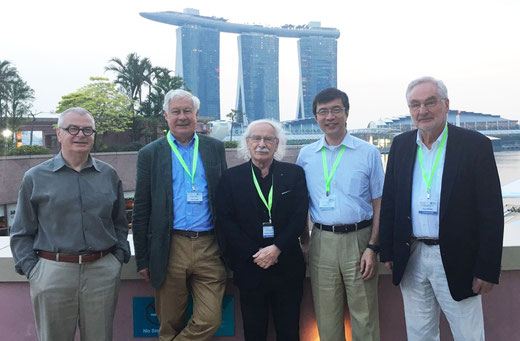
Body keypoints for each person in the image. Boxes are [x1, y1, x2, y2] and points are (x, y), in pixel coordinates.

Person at [379, 76, 504, 341]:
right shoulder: (401, 145)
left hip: (458, 259)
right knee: (419, 334)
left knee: (468, 334)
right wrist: (388, 251)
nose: (422, 110)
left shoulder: (474, 146)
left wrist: (487, 268)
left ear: (446, 105)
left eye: (430, 102)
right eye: (415, 105)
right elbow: (390, 200)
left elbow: (491, 212)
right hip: (412, 256)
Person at [10, 107, 130, 341]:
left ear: (94, 135)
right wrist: (34, 271)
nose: (80, 135)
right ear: (59, 133)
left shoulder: (109, 175)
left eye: (87, 129)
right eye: (72, 128)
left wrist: (117, 258)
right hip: (52, 273)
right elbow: (21, 231)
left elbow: (120, 223)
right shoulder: (35, 177)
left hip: (102, 272)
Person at [132, 89, 227, 341]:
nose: (182, 117)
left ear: (196, 115)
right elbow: (141, 208)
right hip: (170, 245)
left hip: (209, 245)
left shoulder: (214, 148)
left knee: (210, 319)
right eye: (176, 112)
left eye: (188, 111)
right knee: (169, 323)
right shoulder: (150, 153)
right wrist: (142, 258)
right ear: (166, 115)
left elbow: (224, 201)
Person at [296, 88, 384, 341]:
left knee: (365, 316)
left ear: (347, 113)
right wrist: (305, 241)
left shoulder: (367, 153)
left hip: (360, 239)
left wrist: (373, 247)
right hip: (321, 240)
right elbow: (301, 204)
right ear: (315, 118)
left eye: (336, 109)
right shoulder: (306, 155)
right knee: (326, 317)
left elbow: (380, 203)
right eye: (323, 112)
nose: (330, 117)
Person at [216, 119, 308, 341]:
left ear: (277, 144)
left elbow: (299, 217)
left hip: (287, 266)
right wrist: (256, 254)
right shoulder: (231, 178)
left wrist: (275, 249)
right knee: (254, 332)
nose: (262, 143)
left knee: (289, 332)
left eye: (268, 139)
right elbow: (226, 221)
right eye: (256, 138)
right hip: (250, 267)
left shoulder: (294, 174)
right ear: (247, 143)